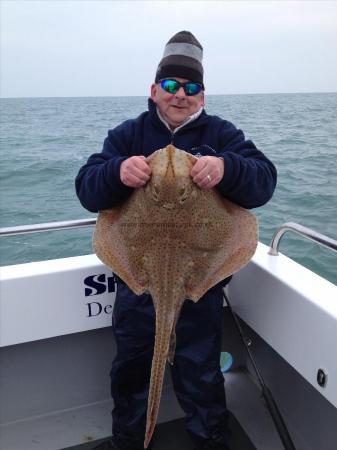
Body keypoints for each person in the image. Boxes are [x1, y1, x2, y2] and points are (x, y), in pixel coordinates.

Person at [76, 31, 277, 450]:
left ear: (202, 96)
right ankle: (129, 441)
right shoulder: (127, 136)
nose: (179, 94)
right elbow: (87, 190)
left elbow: (263, 182)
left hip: (199, 286)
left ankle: (210, 442)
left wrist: (227, 169)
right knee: (131, 369)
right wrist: (117, 173)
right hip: (138, 285)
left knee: (199, 373)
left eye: (190, 87)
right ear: (154, 90)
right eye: (170, 85)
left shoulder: (222, 136)